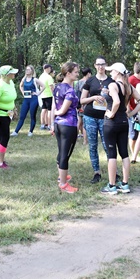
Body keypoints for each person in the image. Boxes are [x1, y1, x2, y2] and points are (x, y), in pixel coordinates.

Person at [100, 62, 140, 194]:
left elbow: (117, 102)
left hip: (111, 123)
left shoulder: (113, 85)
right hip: (124, 122)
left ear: (117, 72)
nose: (110, 73)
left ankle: (112, 185)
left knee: (112, 154)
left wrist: (111, 113)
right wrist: (131, 113)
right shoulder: (128, 86)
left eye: (112, 71)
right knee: (124, 153)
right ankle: (125, 184)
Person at [80, 56, 114, 183]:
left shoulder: (111, 81)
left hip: (105, 117)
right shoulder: (90, 81)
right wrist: (93, 97)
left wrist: (109, 94)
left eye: (103, 64)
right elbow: (82, 100)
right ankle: (96, 172)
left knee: (107, 145)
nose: (100, 67)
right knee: (93, 145)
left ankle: (113, 172)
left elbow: (117, 98)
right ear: (95, 66)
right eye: (98, 64)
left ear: (106, 65)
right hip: (90, 116)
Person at [52, 61, 81, 193]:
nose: (77, 74)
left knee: (61, 151)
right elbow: (62, 110)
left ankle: (61, 176)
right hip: (68, 125)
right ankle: (63, 184)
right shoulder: (70, 90)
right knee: (65, 154)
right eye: (76, 72)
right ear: (68, 73)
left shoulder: (58, 87)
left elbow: (54, 106)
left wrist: (53, 121)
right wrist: (58, 113)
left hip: (58, 125)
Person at [0, 65, 18, 169]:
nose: (14, 74)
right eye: (12, 72)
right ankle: (1, 163)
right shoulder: (0, 85)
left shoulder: (11, 82)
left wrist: (14, 108)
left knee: (0, 136)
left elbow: (12, 97)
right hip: (1, 114)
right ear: (6, 75)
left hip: (8, 114)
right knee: (5, 137)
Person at [12, 65, 43, 137]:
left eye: (29, 69)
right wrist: (23, 93)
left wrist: (38, 93)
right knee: (22, 116)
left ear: (32, 71)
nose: (27, 71)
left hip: (33, 99)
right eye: (26, 69)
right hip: (26, 99)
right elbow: (21, 86)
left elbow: (43, 86)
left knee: (32, 115)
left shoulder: (34, 79)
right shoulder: (24, 79)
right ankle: (16, 131)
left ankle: (30, 131)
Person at [128, 62, 140, 155]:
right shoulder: (130, 80)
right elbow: (127, 95)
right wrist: (128, 108)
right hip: (133, 110)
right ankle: (133, 153)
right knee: (133, 134)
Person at [75, 67, 92, 145]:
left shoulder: (78, 82)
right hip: (87, 104)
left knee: (79, 122)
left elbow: (76, 94)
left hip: (79, 105)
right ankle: (85, 141)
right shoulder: (89, 82)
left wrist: (78, 105)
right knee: (85, 123)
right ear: (88, 73)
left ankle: (74, 138)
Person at [39, 64, 55, 130]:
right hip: (49, 95)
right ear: (47, 68)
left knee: (43, 109)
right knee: (49, 110)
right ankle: (49, 125)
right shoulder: (49, 77)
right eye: (50, 68)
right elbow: (51, 87)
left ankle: (42, 124)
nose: (50, 70)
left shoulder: (41, 76)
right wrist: (54, 94)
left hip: (42, 95)